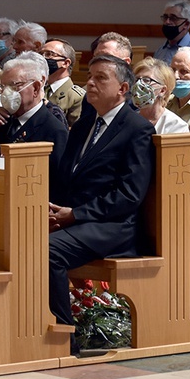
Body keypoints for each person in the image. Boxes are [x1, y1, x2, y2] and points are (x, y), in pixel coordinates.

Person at [47, 55, 155, 353]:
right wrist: (51, 208)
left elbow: (130, 195)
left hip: (113, 226)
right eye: (89, 76)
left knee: (47, 252)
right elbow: (66, 176)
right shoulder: (85, 122)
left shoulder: (137, 129)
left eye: (100, 78)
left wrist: (76, 214)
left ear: (122, 88)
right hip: (76, 220)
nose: (90, 83)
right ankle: (24, 327)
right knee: (18, 239)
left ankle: (62, 337)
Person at [0, 52, 68, 192]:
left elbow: (55, 182)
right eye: (3, 87)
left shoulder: (54, 129)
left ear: (36, 88)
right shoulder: (1, 122)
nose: (6, 93)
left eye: (14, 86)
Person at [153, 0, 190, 77]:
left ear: (186, 24)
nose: (167, 22)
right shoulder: (160, 51)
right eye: (165, 17)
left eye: (173, 18)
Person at [131, 57, 189, 134]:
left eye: (146, 80)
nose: (139, 84)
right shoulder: (128, 121)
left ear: (162, 90)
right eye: (137, 79)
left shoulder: (176, 127)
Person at [40, 38, 85, 127]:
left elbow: (74, 131)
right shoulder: (38, 89)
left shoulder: (77, 97)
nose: (43, 58)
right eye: (41, 54)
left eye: (49, 54)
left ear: (65, 63)